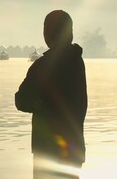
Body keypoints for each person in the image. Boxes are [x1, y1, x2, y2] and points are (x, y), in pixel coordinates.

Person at [15, 10, 88, 179]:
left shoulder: (44, 65)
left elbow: (21, 100)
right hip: (74, 148)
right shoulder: (77, 60)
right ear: (69, 32)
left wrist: (39, 103)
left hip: (49, 152)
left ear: (48, 33)